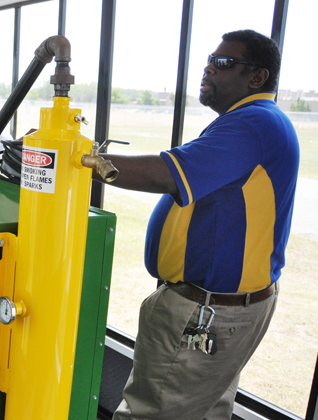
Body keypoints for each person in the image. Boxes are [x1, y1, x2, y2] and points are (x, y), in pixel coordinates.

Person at [97, 30, 299, 419]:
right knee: (207, 411)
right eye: (209, 58)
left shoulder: (254, 123)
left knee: (148, 413)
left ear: (257, 78)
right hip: (228, 308)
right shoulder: (253, 121)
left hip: (209, 312)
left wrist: (80, 160)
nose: (208, 68)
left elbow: (168, 175)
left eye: (223, 63)